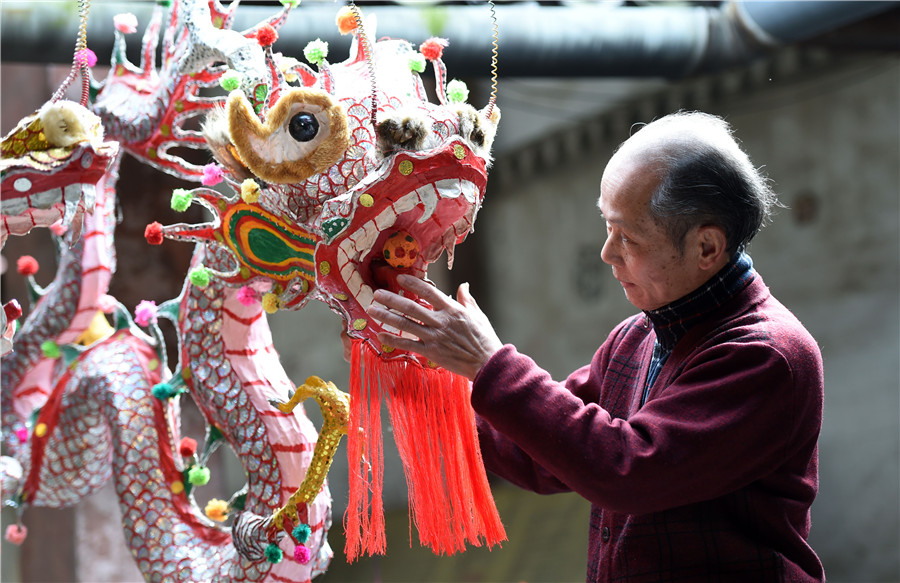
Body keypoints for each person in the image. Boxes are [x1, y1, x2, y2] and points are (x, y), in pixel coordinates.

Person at [366, 111, 825, 582]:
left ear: (706, 247)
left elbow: (624, 468)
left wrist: (490, 363)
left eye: (627, 236)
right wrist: (412, 370)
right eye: (607, 226)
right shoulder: (636, 337)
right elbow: (541, 451)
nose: (607, 253)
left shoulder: (767, 354)